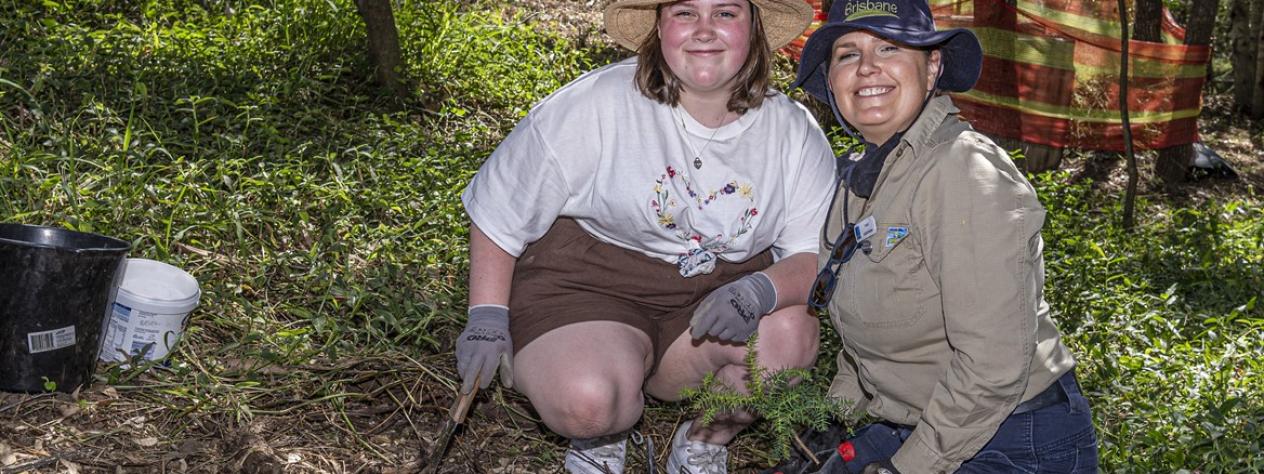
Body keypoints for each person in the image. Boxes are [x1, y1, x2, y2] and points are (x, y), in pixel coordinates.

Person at [455, 0, 834, 472]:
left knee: (790, 339)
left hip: (714, 303)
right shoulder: (600, 101)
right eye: (685, 13)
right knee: (587, 401)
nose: (704, 30)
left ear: (753, 27)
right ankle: (600, 435)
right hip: (589, 287)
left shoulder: (793, 132)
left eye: (726, 13)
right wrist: (487, 314)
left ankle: (703, 443)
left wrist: (761, 290)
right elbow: (500, 208)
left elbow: (811, 255)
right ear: (659, 26)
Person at [790, 0, 1100, 472]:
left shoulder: (964, 171)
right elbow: (869, 337)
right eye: (847, 54)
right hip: (910, 419)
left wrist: (905, 468)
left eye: (889, 47)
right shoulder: (864, 180)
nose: (867, 66)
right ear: (832, 81)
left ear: (932, 67)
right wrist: (832, 417)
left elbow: (993, 366)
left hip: (1014, 439)